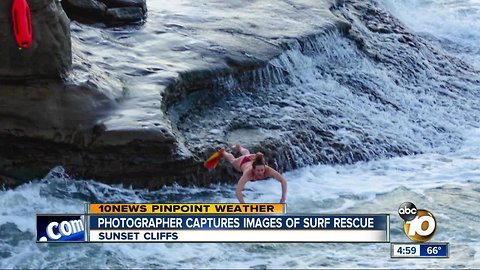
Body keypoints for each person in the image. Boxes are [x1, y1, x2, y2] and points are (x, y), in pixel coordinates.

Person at [222, 144, 287, 203]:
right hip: (244, 161)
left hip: (253, 158)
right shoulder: (248, 174)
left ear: (265, 167)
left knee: (247, 154)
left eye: (262, 170)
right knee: (232, 161)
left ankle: (239, 147)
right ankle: (223, 152)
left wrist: (283, 198)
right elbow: (238, 191)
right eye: (258, 171)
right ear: (253, 170)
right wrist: (243, 205)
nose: (261, 172)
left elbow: (283, 181)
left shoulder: (268, 170)